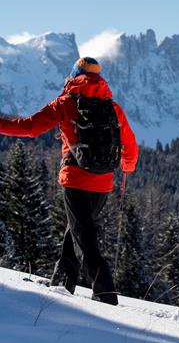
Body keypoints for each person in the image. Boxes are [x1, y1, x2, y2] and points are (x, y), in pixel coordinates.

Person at [0, 57, 139, 305]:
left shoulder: (66, 102)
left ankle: (105, 292)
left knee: (84, 237)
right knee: (76, 230)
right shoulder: (113, 108)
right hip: (104, 182)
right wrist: (126, 168)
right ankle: (62, 281)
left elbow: (30, 127)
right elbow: (129, 145)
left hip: (75, 179)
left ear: (74, 75)